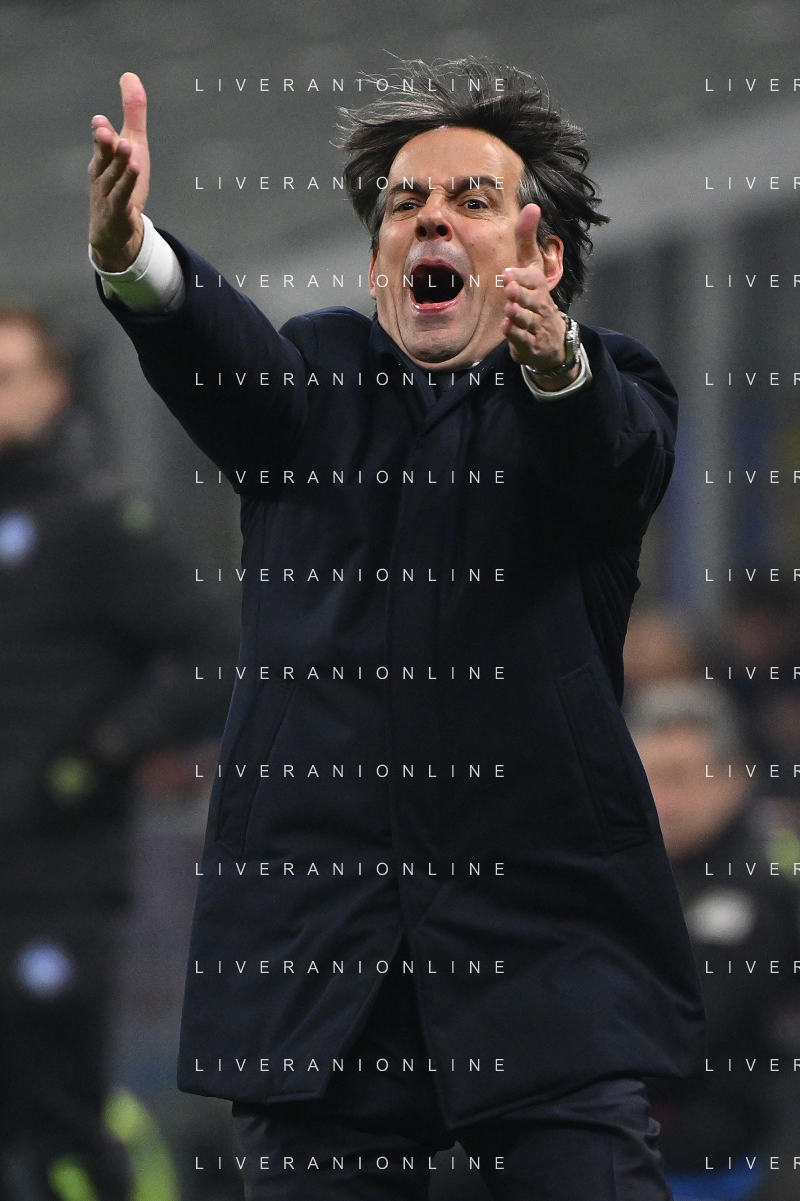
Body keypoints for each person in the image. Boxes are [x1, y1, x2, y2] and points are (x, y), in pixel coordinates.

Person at [87, 58, 704, 1200]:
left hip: (541, 951)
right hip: (319, 964)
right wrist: (135, 258)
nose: (429, 218)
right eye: (404, 204)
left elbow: (611, 463)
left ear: (542, 256)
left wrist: (555, 361)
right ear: (379, 267)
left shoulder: (606, 388)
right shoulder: (314, 378)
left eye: (472, 199)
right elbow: (219, 349)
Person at [0, 307, 236, 1200]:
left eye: (7, 377)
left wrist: (103, 750)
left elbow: (215, 650)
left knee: (57, 1115)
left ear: (55, 391)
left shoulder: (93, 522)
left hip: (55, 881)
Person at [629, 681, 800, 1201]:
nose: (663, 800)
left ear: (735, 779)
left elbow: (681, 1033)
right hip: (633, 1136)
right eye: (648, 777)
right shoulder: (630, 867)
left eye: (680, 777)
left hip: (728, 1153)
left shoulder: (762, 884)